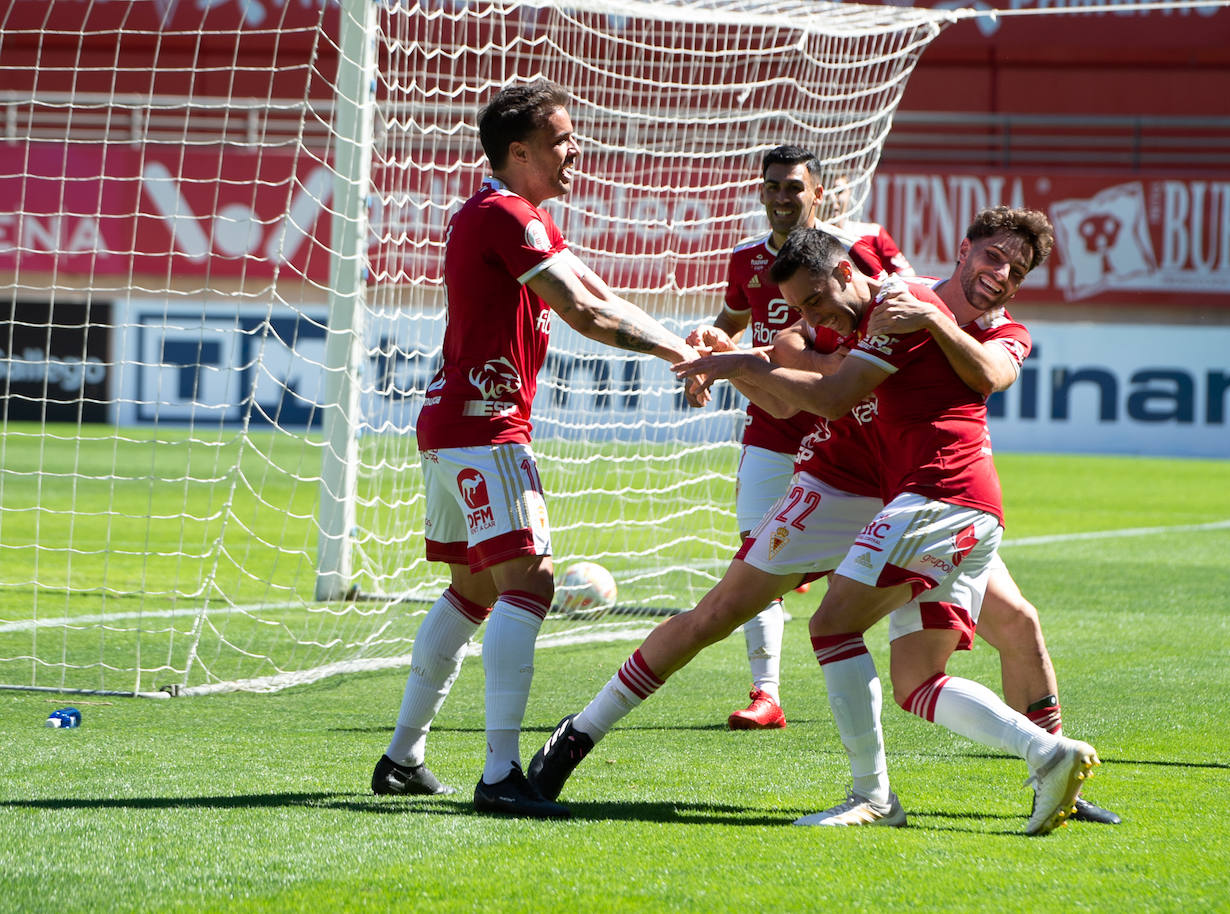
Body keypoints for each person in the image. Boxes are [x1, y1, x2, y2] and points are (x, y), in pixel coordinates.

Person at [529, 211, 1111, 833]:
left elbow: (870, 382)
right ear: (965, 251)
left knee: (1007, 624)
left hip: (924, 497)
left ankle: (1047, 779)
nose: (999, 274)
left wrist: (747, 366)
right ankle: (578, 733)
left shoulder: (957, 320)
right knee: (717, 613)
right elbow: (793, 375)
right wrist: (736, 356)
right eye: (992, 257)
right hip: (844, 483)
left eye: (1014, 267)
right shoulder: (874, 306)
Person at [369, 79, 707, 819]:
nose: (574, 151)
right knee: (531, 582)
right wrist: (677, 357)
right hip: (485, 425)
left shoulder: (515, 218)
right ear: (518, 152)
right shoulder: (503, 215)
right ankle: (499, 775)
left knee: (477, 591)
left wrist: (683, 343)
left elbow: (600, 293)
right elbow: (585, 313)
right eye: (559, 140)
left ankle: (402, 756)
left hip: (455, 423)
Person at [710, 145, 914, 731]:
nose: (780, 197)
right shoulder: (745, 260)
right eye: (771, 186)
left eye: (793, 187)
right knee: (755, 549)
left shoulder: (862, 248)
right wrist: (711, 338)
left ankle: (904, 669)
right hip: (774, 424)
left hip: (848, 425)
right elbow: (730, 325)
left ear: (817, 192)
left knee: (871, 552)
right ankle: (766, 693)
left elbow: (908, 303)